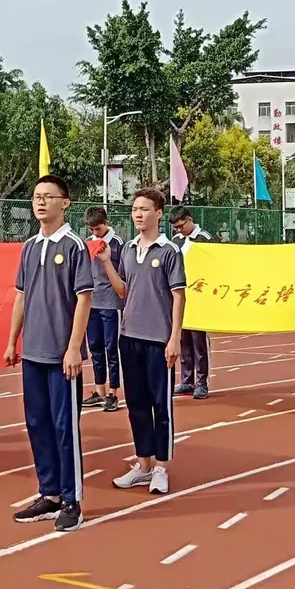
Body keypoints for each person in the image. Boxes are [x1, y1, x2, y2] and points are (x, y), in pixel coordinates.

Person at [5, 174, 92, 533]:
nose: (40, 202)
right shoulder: (29, 247)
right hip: (33, 352)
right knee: (37, 423)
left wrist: (74, 348)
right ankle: (49, 492)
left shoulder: (74, 246)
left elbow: (85, 297)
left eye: (48, 196)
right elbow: (21, 296)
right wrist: (13, 341)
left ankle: (72, 500)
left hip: (61, 355)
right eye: (36, 197)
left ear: (64, 202)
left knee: (63, 426)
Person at [100, 186, 186, 497]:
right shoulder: (127, 249)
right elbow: (123, 291)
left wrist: (174, 338)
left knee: (159, 405)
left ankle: (161, 466)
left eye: (145, 209)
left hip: (158, 340)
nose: (138, 213)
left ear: (159, 213)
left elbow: (179, 297)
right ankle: (143, 464)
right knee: (135, 404)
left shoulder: (168, 252)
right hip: (129, 337)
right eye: (135, 209)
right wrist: (107, 263)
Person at [83, 206, 124, 412]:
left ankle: (113, 393)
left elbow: (124, 274)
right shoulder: (87, 244)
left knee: (111, 349)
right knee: (95, 348)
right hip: (92, 303)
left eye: (97, 229)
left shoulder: (118, 244)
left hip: (111, 303)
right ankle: (99, 390)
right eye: (91, 229)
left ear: (106, 223)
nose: (94, 233)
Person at [170, 205, 211, 399]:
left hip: (199, 299)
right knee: (183, 339)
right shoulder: (176, 241)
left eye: (180, 226)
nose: (179, 230)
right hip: (181, 297)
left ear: (189, 219)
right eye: (176, 228)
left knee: (198, 342)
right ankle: (187, 380)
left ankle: (202, 382)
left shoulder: (205, 238)